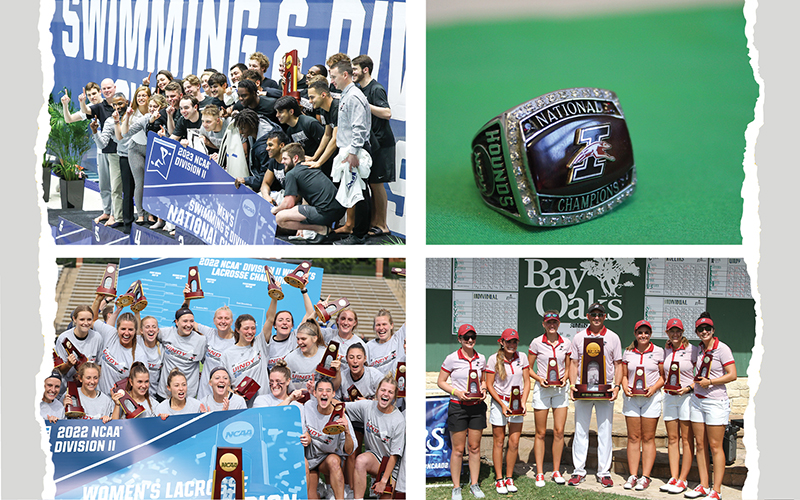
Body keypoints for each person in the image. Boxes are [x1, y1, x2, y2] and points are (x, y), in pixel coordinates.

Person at [567, 302, 623, 487]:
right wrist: (572, 385)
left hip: (605, 391)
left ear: (605, 316)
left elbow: (618, 365)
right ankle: (578, 471)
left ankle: (604, 472)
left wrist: (616, 387)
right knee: (580, 430)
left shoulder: (613, 337)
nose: (596, 317)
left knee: (605, 432)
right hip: (583, 390)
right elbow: (574, 363)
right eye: (593, 314)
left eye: (600, 314)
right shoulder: (579, 337)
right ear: (587, 316)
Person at [685, 312, 737, 500]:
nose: (704, 331)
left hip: (716, 402)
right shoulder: (698, 349)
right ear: (697, 332)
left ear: (713, 330)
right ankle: (703, 485)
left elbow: (732, 374)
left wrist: (711, 382)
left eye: (707, 328)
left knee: (715, 446)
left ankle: (716, 490)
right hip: (697, 400)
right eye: (701, 329)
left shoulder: (722, 349)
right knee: (700, 445)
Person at [437, 324, 487, 500]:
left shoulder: (481, 358)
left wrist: (484, 389)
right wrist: (456, 392)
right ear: (460, 339)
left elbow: (483, 381)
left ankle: (474, 484)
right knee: (458, 449)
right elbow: (441, 381)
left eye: (473, 337)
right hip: (458, 406)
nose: (470, 340)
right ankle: (456, 486)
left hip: (477, 407)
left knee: (474, 447)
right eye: (466, 338)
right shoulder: (451, 358)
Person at [328, 60, 373, 244]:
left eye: (333, 77)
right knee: (356, 190)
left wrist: (353, 152)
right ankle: (357, 232)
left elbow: (359, 127)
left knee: (359, 192)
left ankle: (359, 235)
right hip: (351, 149)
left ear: (344, 75)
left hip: (356, 150)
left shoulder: (353, 96)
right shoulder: (347, 95)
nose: (332, 81)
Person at [352, 55, 396, 238]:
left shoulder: (376, 89)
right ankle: (373, 221)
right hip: (370, 143)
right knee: (370, 183)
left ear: (365, 69)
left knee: (377, 184)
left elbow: (387, 113)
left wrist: (365, 105)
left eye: (355, 69)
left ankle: (382, 224)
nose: (352, 72)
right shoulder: (359, 88)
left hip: (382, 143)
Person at [527, 311, 571, 486]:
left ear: (558, 323)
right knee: (541, 432)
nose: (551, 325)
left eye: (554, 322)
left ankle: (556, 470)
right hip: (543, 389)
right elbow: (528, 368)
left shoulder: (566, 342)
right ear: (543, 324)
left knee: (559, 431)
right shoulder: (536, 342)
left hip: (560, 390)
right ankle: (539, 473)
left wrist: (565, 379)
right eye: (548, 322)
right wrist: (539, 379)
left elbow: (568, 367)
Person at [271, 143, 347, 243]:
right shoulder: (311, 167)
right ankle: (324, 228)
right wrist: (300, 227)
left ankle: (322, 230)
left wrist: (275, 209)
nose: (282, 162)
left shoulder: (291, 174)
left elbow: (288, 203)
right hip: (340, 210)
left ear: (295, 158)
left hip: (326, 212)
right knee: (296, 209)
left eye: (285, 159)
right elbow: (307, 198)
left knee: (280, 218)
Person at [621, 320, 664, 491]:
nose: (643, 335)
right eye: (640, 332)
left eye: (646, 332)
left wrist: (654, 388)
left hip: (651, 399)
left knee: (648, 438)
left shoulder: (659, 352)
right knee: (633, 437)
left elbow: (663, 376)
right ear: (635, 334)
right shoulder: (628, 352)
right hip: (632, 399)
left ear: (650, 334)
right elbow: (624, 375)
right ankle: (633, 475)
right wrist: (624, 386)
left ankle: (645, 476)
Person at [484, 328, 529, 494]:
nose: (512, 345)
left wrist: (523, 402)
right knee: (499, 441)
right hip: (499, 402)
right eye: (508, 341)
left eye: (514, 341)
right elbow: (489, 385)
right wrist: (502, 405)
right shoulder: (492, 359)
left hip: (517, 404)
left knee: (514, 442)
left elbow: (527, 381)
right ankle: (499, 478)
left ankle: (509, 477)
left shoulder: (522, 357)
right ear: (501, 342)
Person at [346, 376, 405, 500]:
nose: (386, 394)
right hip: (375, 458)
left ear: (395, 396)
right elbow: (341, 407)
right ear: (377, 391)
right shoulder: (367, 406)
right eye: (383, 390)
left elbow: (394, 456)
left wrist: (384, 481)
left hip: (392, 467)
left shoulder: (398, 420)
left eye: (390, 392)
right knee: (360, 460)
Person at [660, 318, 698, 494]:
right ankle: (674, 477)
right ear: (667, 333)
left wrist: (689, 388)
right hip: (669, 397)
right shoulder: (666, 350)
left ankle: (683, 479)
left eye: (678, 331)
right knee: (672, 438)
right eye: (671, 331)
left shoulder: (693, 350)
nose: (675, 334)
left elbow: (701, 375)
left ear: (683, 332)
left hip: (686, 398)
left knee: (686, 439)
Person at [301, 378, 356, 500]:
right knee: (311, 497)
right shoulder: (308, 407)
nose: (324, 393)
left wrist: (346, 431)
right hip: (310, 460)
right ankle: (321, 490)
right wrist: (306, 435)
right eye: (320, 390)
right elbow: (300, 428)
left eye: (328, 390)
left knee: (334, 461)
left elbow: (349, 450)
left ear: (333, 394)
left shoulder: (341, 416)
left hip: (328, 459)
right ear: (314, 393)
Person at [80, 78, 122, 226]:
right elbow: (86, 111)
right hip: (105, 149)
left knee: (117, 186)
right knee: (105, 184)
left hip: (121, 151)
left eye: (109, 88)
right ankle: (107, 211)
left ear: (115, 88)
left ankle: (117, 215)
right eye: (104, 88)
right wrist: (82, 102)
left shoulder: (122, 103)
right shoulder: (99, 106)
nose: (107, 90)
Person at [89, 293, 147, 394]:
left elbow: (141, 386)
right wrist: (98, 299)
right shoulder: (111, 334)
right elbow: (93, 320)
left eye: (130, 329)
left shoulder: (139, 355)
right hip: (99, 397)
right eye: (123, 329)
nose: (126, 333)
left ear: (135, 331)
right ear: (117, 328)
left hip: (119, 404)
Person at [261, 273, 316, 370]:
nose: (284, 323)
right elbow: (269, 318)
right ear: (274, 325)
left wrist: (303, 289)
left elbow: (309, 313)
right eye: (280, 320)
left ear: (292, 326)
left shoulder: (296, 337)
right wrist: (275, 294)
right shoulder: (267, 340)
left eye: (288, 320)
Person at [156, 302, 207, 399]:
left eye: (191, 321)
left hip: (187, 395)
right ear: (176, 322)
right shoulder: (165, 333)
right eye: (185, 321)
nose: (188, 325)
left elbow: (208, 364)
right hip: (164, 393)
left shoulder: (201, 340)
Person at [219, 314, 270, 403]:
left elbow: (270, 319)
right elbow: (223, 382)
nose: (250, 332)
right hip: (240, 405)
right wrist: (234, 395)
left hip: (263, 403)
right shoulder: (227, 354)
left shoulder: (260, 343)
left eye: (253, 328)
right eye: (246, 328)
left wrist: (274, 300)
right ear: (238, 330)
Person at [54, 305, 104, 386]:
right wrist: (68, 365)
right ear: (74, 319)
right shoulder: (63, 338)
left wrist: (89, 373)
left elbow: (100, 365)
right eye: (82, 319)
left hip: (89, 387)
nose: (86, 323)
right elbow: (59, 370)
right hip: (68, 386)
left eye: (89, 319)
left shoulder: (97, 337)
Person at [194, 305, 236, 400]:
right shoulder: (209, 333)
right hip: (204, 394)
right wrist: (187, 299)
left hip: (224, 396)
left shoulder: (237, 341)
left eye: (226, 318)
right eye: (220, 318)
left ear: (232, 321)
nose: (223, 321)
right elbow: (186, 320)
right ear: (214, 320)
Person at [284, 320, 339, 391]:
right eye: (298, 339)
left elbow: (335, 387)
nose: (299, 342)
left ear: (314, 338)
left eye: (303, 339)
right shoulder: (290, 358)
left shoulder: (326, 356)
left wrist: (338, 372)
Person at [366, 310, 405, 375]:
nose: (381, 328)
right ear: (374, 327)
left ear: (391, 325)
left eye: (384, 324)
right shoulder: (368, 346)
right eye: (378, 325)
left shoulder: (398, 338)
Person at [138, 315, 165, 400]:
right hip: (136, 395)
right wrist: (137, 312)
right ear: (141, 331)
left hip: (154, 397)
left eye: (154, 327)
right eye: (147, 327)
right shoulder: (138, 342)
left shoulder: (163, 349)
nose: (151, 329)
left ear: (158, 330)